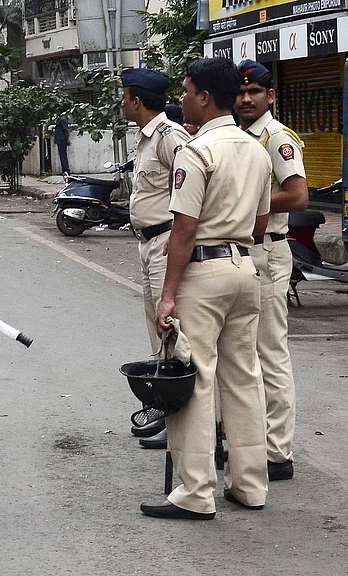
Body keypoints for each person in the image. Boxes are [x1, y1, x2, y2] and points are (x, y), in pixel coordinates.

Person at [142, 57, 272, 520]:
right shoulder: (256, 149)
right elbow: (260, 219)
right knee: (243, 378)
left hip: (203, 271)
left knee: (194, 378)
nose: (180, 99)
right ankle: (251, 485)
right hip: (244, 266)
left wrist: (168, 294)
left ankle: (196, 493)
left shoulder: (196, 152)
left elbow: (183, 229)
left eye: (185, 91)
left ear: (203, 98)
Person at [235, 59, 307, 483]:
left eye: (255, 92)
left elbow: (297, 196)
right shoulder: (241, 135)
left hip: (269, 252)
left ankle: (278, 452)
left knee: (270, 354)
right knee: (244, 353)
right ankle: (250, 442)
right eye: (242, 93)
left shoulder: (277, 138)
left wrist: (251, 205)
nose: (246, 99)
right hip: (247, 252)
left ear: (270, 96)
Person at [121, 69, 191, 450]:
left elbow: (194, 187)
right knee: (158, 335)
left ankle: (182, 418)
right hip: (148, 243)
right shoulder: (145, 138)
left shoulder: (170, 137)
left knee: (174, 331)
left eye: (125, 97)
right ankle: (168, 412)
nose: (122, 103)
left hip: (167, 242)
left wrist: (180, 237)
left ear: (136, 100)